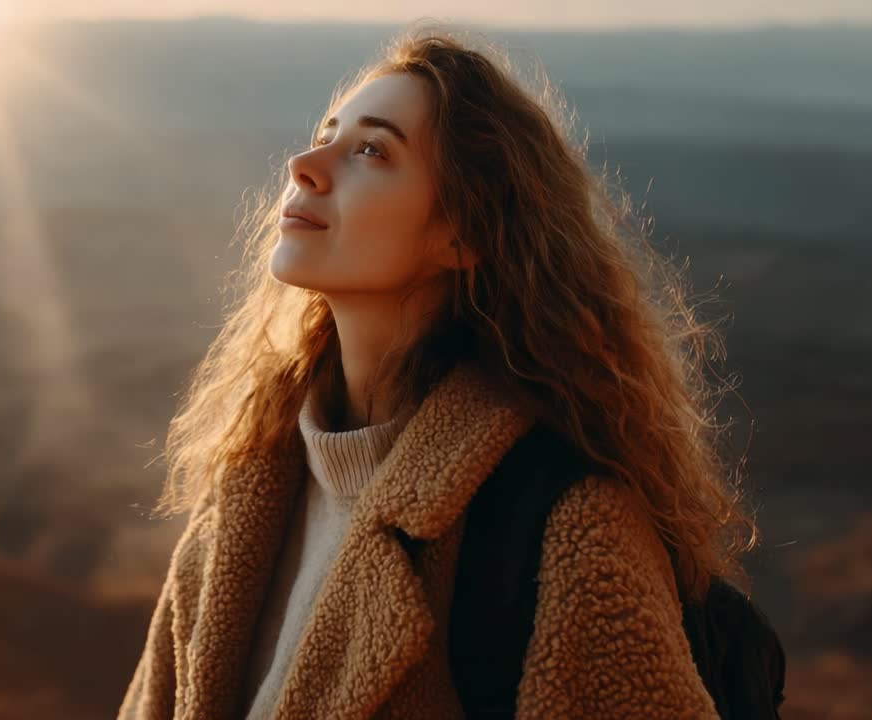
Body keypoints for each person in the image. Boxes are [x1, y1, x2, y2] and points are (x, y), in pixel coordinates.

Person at [117, 21, 760, 720]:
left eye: (369, 150)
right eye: (326, 132)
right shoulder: (248, 485)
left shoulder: (562, 526)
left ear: (462, 233)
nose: (305, 163)